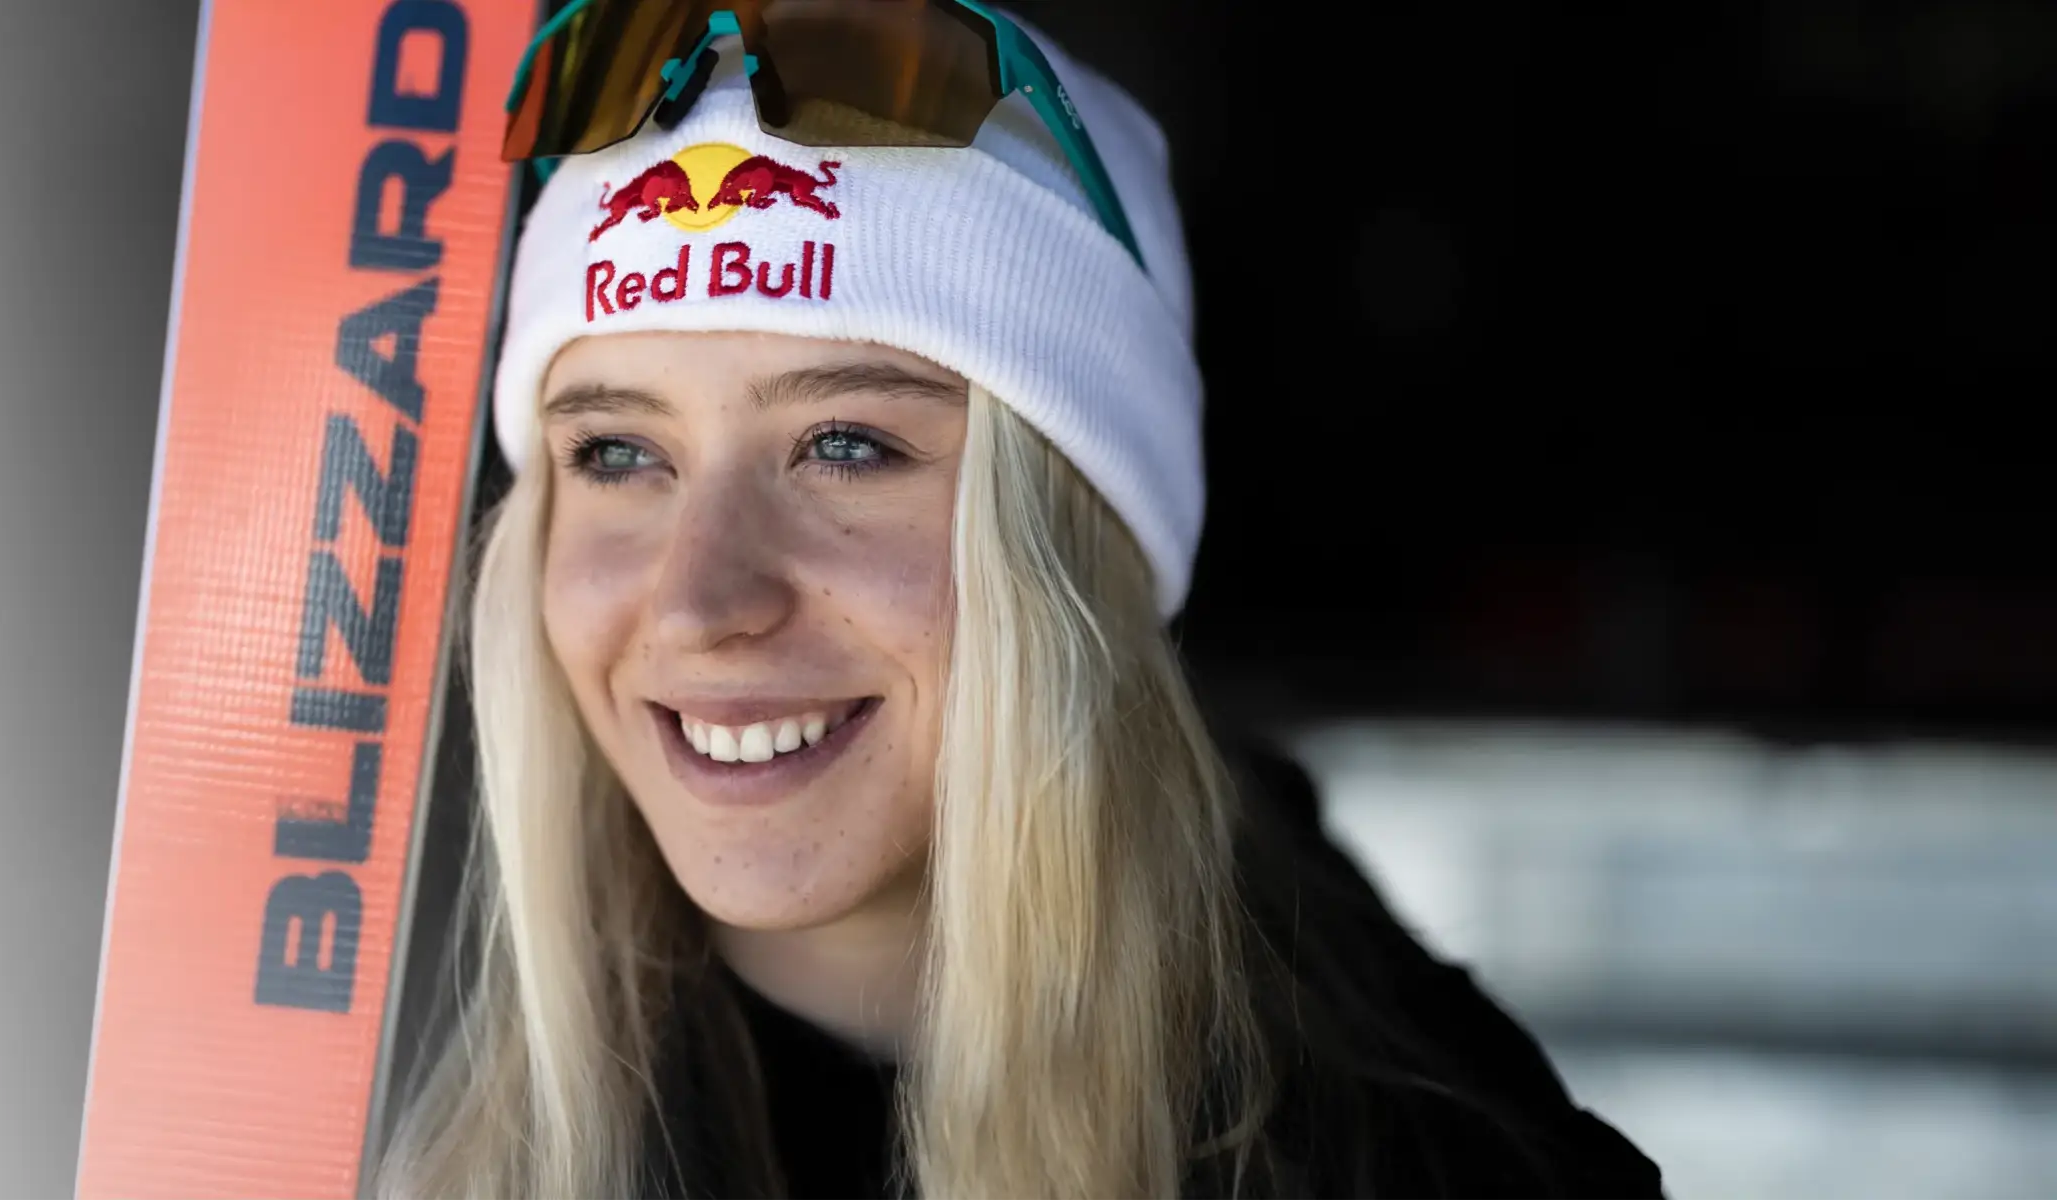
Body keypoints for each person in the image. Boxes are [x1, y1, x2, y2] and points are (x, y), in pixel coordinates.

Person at [382, 5, 1665, 1197]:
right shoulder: (376, 1120)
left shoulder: (1442, 1164)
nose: (699, 603)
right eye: (617, 453)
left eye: (846, 446)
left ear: (1073, 540)